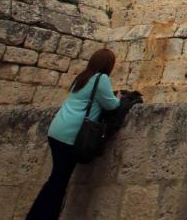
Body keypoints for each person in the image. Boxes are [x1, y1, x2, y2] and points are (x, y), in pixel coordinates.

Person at [26, 48, 120, 220]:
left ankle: (38, 215)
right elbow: (111, 105)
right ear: (108, 65)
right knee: (59, 182)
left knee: (56, 178)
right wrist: (119, 98)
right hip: (70, 135)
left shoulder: (82, 77)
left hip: (57, 130)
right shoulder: (101, 78)